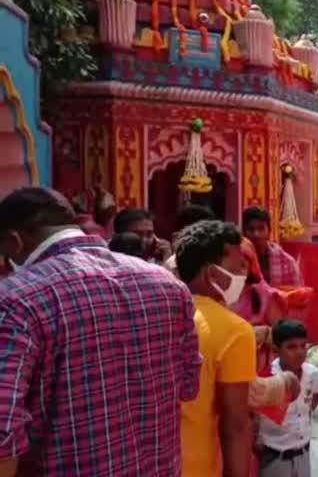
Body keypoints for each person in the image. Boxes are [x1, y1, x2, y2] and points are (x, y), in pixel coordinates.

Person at [0, 187, 201, 476]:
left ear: (14, 241)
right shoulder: (169, 286)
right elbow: (189, 385)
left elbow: (3, 430)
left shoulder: (16, 301)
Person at [175, 220, 299, 477]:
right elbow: (235, 425)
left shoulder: (164, 313)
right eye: (236, 268)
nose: (241, 276)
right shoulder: (234, 330)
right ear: (212, 274)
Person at [257, 319, 318, 477]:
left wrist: (304, 416)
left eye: (303, 346)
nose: (300, 352)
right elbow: (254, 419)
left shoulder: (312, 374)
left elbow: (316, 395)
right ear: (276, 349)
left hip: (303, 455)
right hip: (275, 459)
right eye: (291, 347)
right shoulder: (267, 380)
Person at [242, 207, 302, 287]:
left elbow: (297, 296)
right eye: (251, 229)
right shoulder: (234, 260)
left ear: (269, 231)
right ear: (243, 232)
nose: (256, 234)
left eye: (261, 228)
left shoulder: (287, 262)